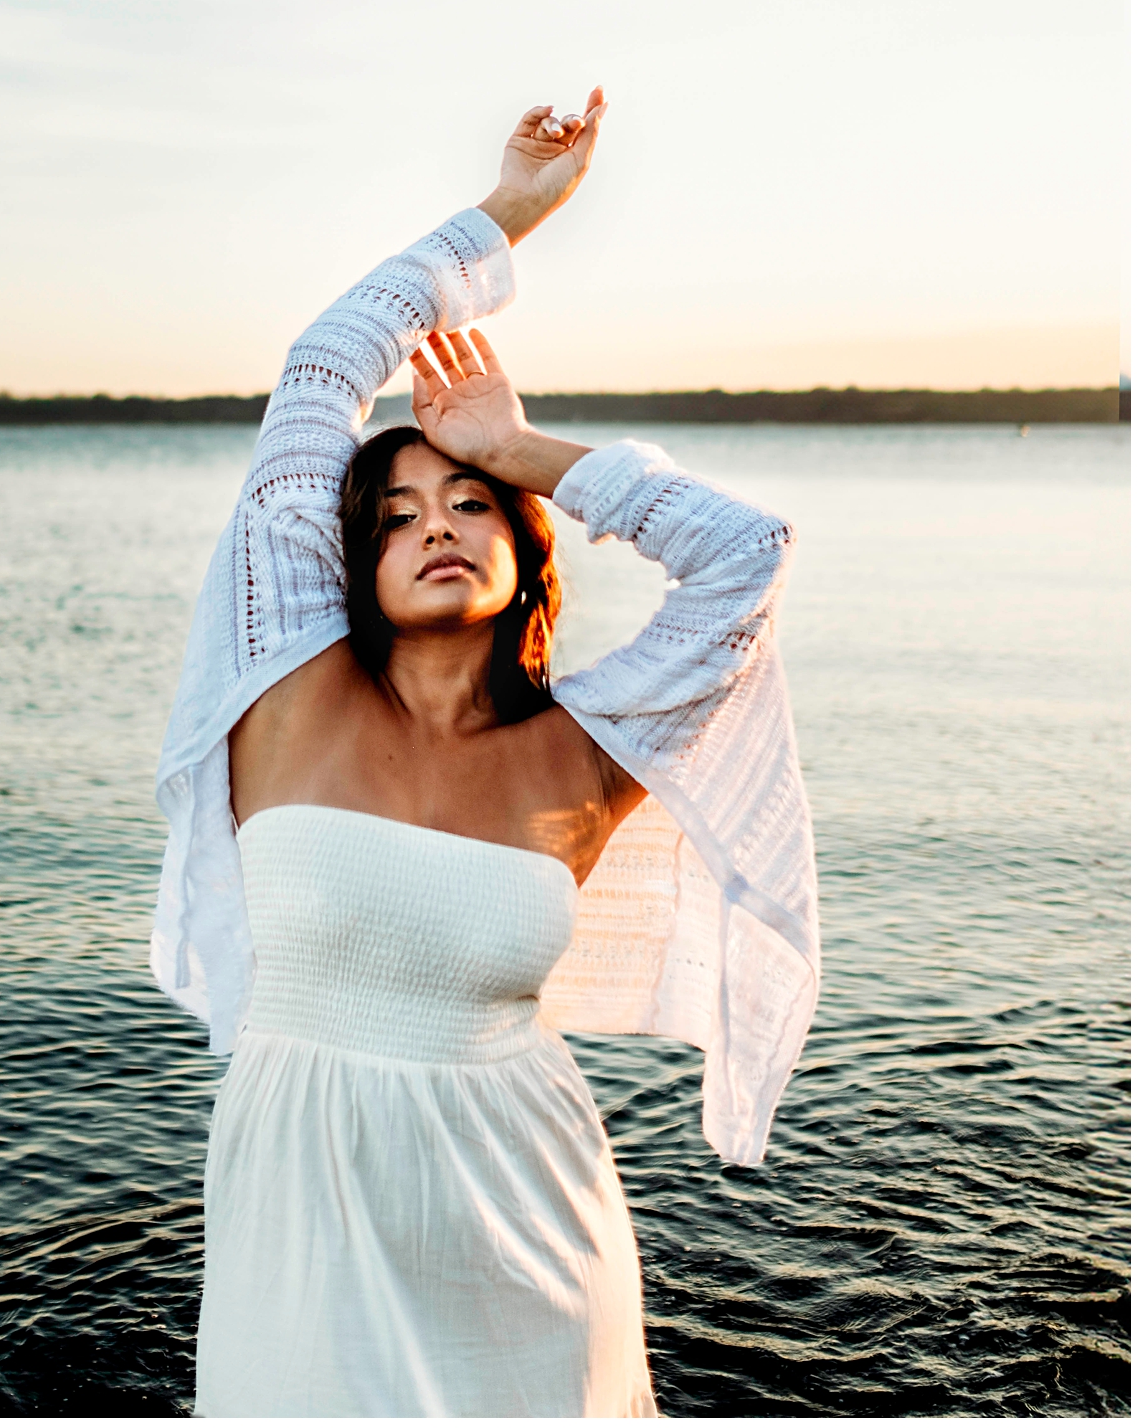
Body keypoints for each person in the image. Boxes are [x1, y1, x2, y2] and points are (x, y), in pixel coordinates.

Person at [152, 91, 820, 1418]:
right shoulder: (287, 679)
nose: (435, 524)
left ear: (524, 552)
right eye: (395, 513)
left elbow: (748, 558)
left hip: (530, 1226)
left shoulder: (586, 748)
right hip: (305, 1219)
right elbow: (321, 371)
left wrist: (519, 445)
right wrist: (510, 212)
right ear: (350, 557)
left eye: (469, 504)